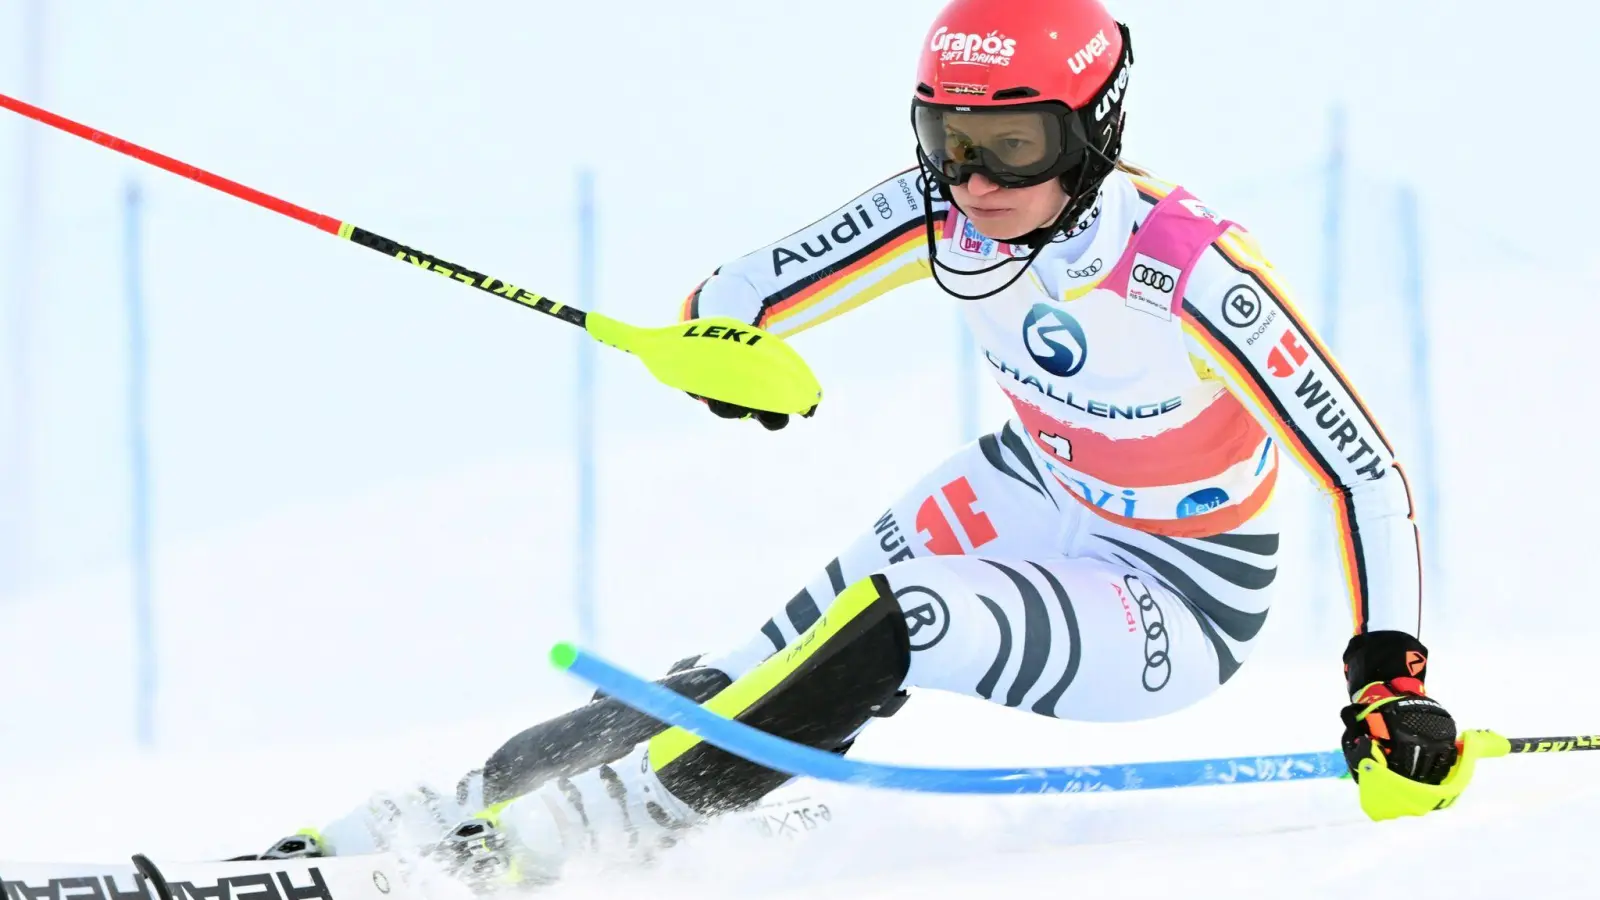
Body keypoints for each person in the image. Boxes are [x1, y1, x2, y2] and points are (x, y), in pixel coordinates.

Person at [250, 0, 1461, 882]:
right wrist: (719, 351)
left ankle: (601, 833)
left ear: (1090, 129)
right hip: (1038, 486)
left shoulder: (1183, 268)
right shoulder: (953, 210)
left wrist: (1387, 684)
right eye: (949, 141)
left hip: (1176, 594)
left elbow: (1359, 464)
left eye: (1015, 147)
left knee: (901, 618)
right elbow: (748, 285)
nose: (975, 183)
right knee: (761, 662)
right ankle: (446, 813)